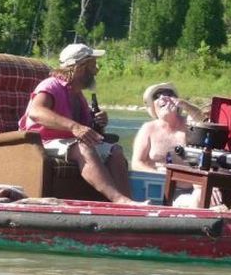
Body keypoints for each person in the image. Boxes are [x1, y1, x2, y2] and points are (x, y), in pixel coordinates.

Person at [18, 43, 140, 205]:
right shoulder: (51, 85)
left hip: (68, 142)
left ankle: (130, 204)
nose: (96, 70)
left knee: (115, 151)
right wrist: (74, 127)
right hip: (40, 142)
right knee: (83, 148)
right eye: (93, 65)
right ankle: (119, 200)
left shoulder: (77, 94)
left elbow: (85, 129)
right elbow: (36, 112)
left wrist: (98, 124)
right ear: (81, 67)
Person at [132, 82, 222, 208]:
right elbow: (136, 163)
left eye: (169, 94)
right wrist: (162, 175)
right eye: (157, 96)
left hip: (193, 188)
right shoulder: (148, 128)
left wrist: (184, 104)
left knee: (199, 198)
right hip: (161, 189)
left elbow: (203, 121)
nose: (164, 97)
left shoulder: (190, 124)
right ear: (152, 106)